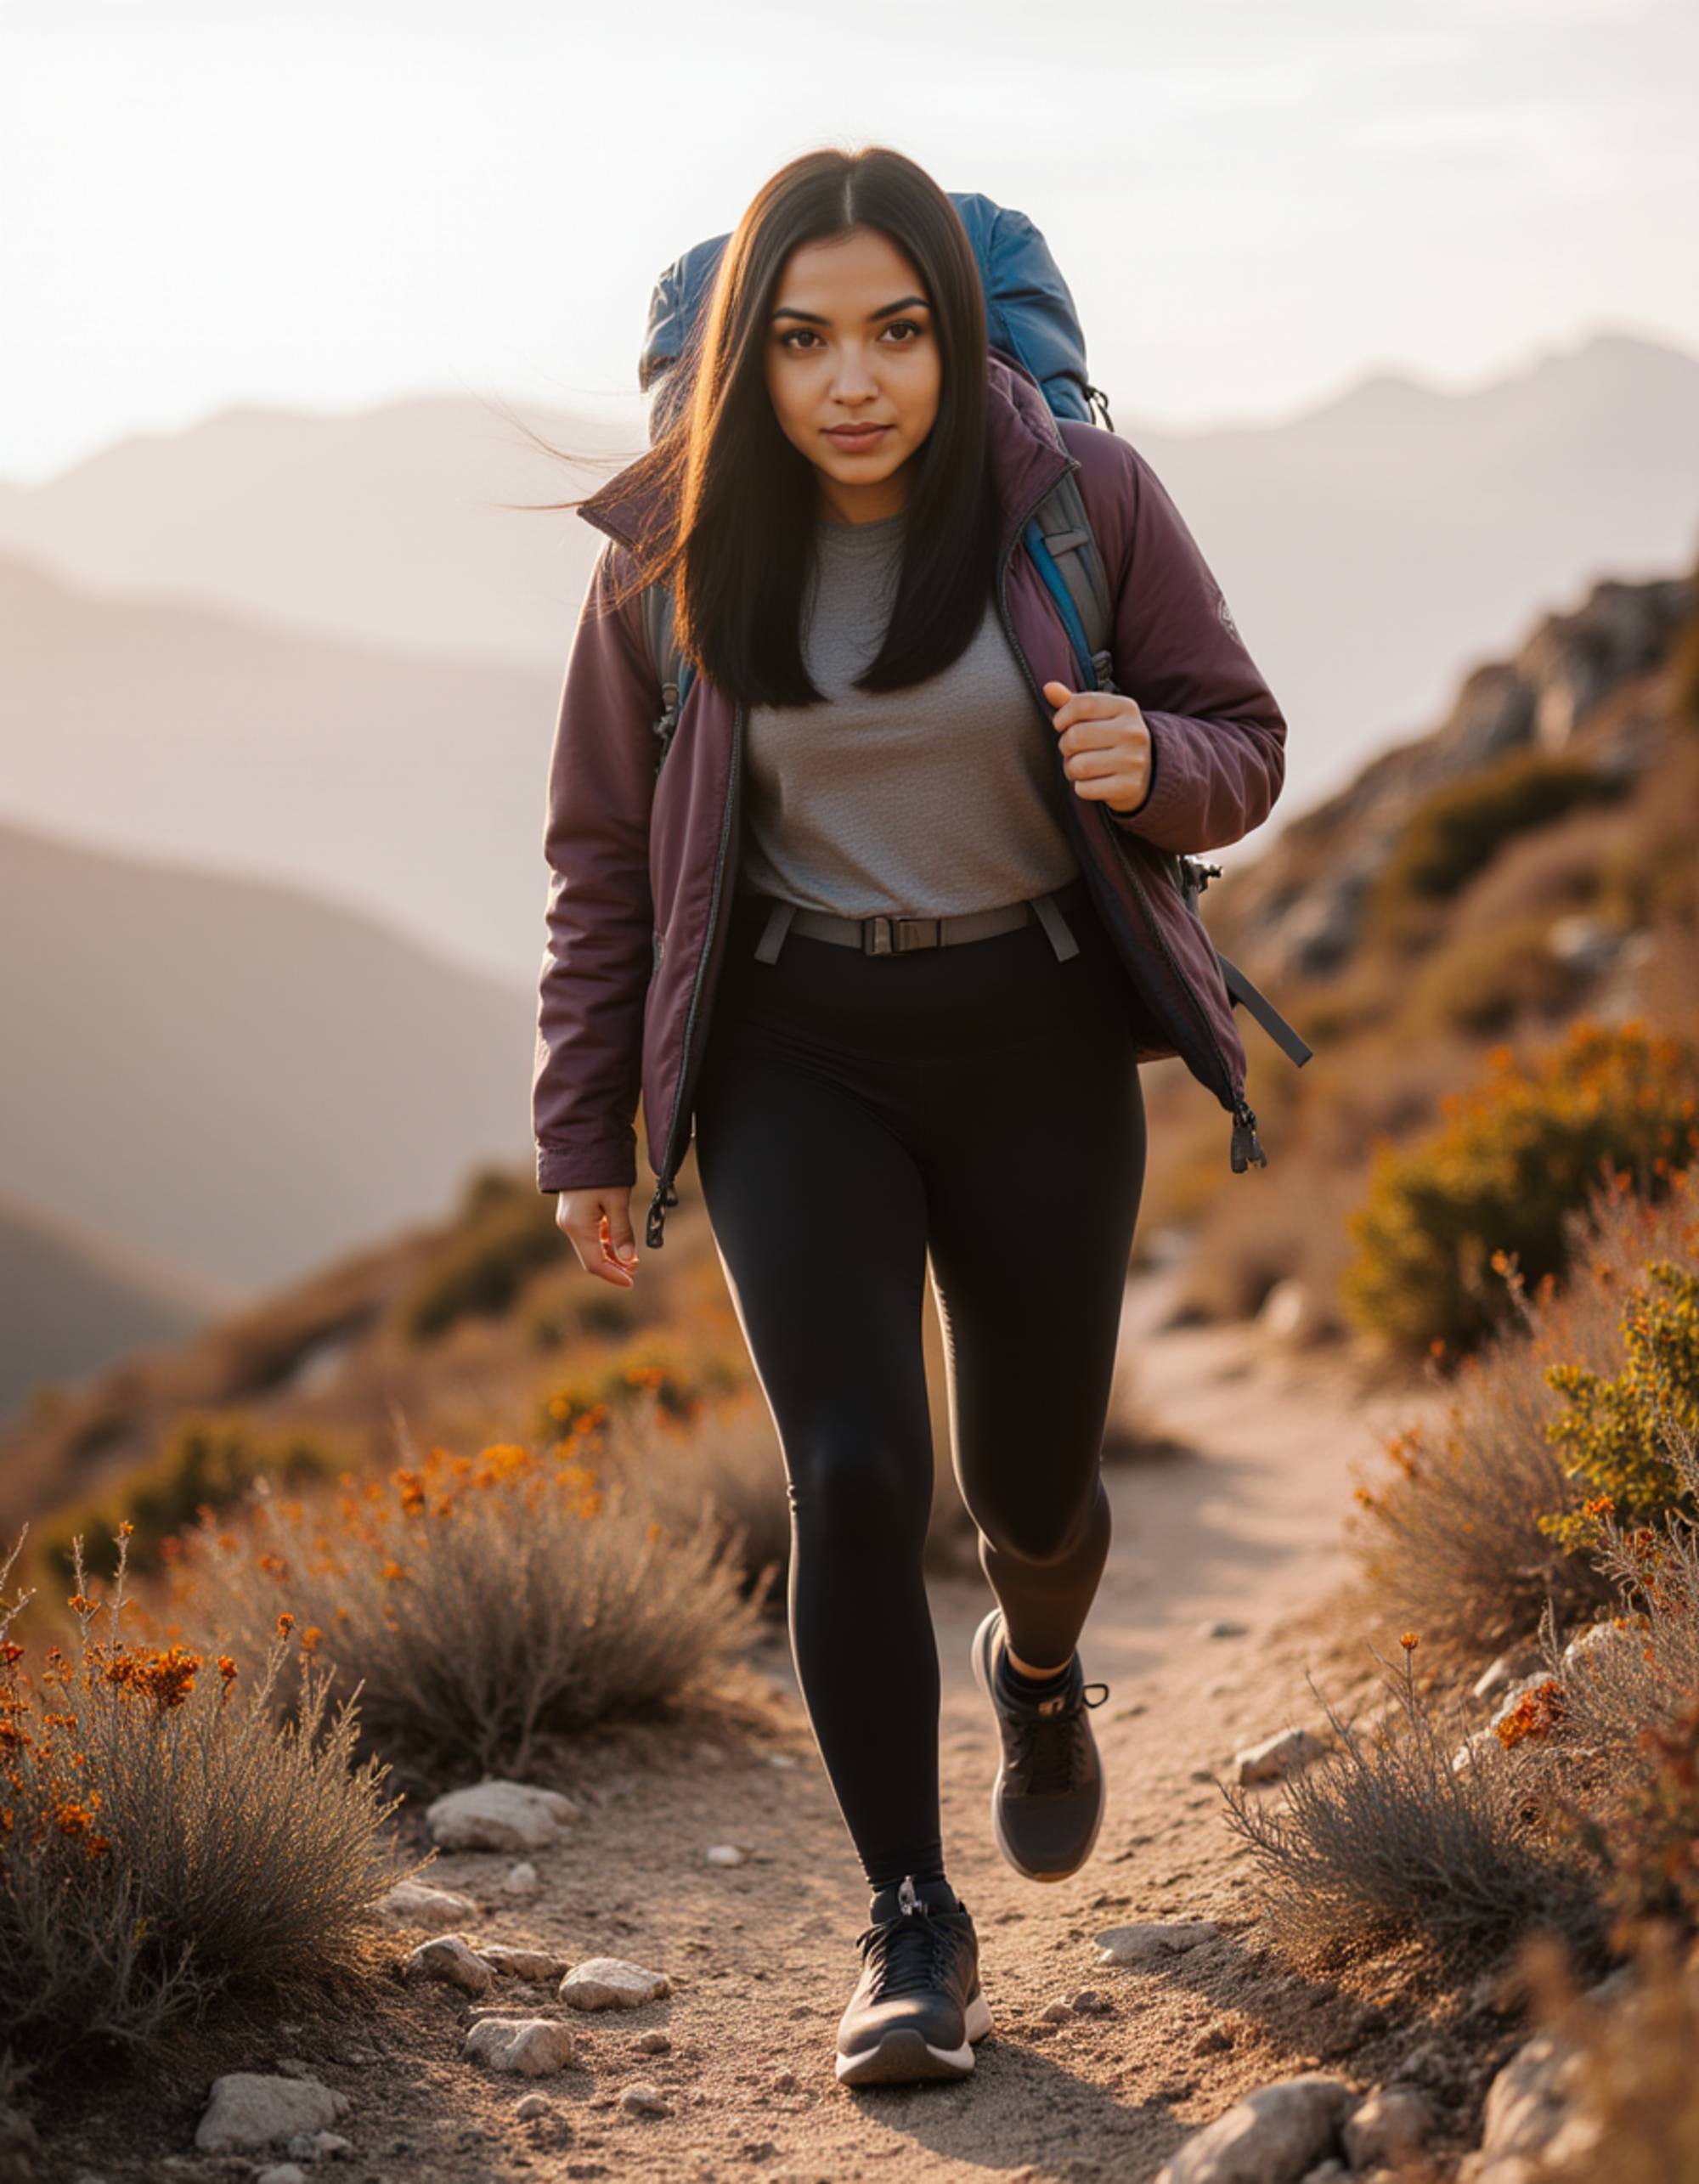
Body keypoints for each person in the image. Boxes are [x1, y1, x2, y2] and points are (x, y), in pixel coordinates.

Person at [531, 144, 1287, 2089]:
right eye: (799, 340)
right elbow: (604, 859)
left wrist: (1151, 760)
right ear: (742, 364)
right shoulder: (672, 553)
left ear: (957, 339)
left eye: (892, 331)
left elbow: (1245, 741)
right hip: (800, 1059)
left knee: (1035, 1492)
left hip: (1036, 1032)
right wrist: (583, 1129)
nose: (849, 380)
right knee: (856, 1470)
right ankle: (907, 1923)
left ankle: (1038, 1668)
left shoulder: (1079, 498)